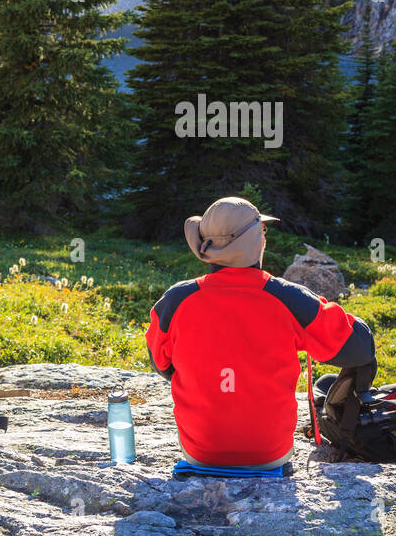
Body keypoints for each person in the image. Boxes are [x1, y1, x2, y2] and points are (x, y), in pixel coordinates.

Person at [145, 196, 376, 469]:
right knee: (327, 380)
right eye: (262, 231)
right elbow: (361, 348)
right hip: (271, 455)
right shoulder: (288, 298)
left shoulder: (176, 300)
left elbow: (161, 363)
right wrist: (318, 307)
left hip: (201, 452)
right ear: (258, 241)